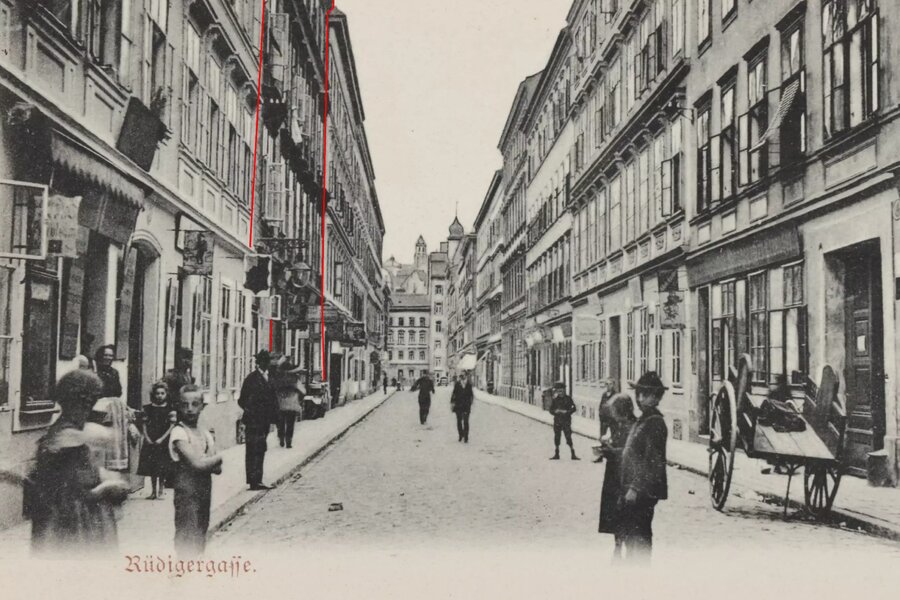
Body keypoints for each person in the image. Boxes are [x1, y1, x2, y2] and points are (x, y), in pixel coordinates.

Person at [26, 370, 129, 556]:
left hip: (68, 514)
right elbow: (76, 483)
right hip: (72, 517)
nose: (88, 408)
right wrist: (106, 487)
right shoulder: (68, 434)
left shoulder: (64, 431)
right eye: (87, 402)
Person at [619, 371, 669, 564]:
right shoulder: (644, 419)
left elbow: (652, 461)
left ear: (656, 397)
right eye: (639, 393)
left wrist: (635, 487)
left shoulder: (655, 422)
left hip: (643, 490)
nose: (640, 398)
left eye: (646, 394)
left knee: (640, 534)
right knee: (633, 532)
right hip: (635, 488)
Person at [169, 384, 222, 557]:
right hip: (186, 491)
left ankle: (195, 570)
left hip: (204, 490)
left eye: (194, 404)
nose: (190, 409)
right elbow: (197, 464)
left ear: (202, 406)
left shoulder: (204, 433)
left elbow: (218, 470)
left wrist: (210, 461)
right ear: (178, 406)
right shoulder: (179, 433)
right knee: (186, 533)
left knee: (201, 530)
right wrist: (217, 458)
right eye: (185, 405)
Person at [596, 393, 637, 560]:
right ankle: (618, 546)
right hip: (613, 475)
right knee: (614, 513)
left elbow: (632, 454)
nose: (612, 415)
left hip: (625, 476)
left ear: (622, 411)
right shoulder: (620, 424)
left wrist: (611, 451)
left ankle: (626, 549)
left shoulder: (633, 427)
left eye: (615, 411)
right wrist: (606, 448)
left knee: (625, 513)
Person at [238, 350, 278, 490]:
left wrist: (272, 417)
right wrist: (253, 412)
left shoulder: (268, 377)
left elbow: (273, 399)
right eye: (265, 361)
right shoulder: (252, 379)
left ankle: (258, 479)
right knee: (253, 449)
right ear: (260, 362)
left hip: (264, 421)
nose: (268, 364)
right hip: (254, 421)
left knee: (261, 448)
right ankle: (253, 481)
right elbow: (242, 400)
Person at [137, 381, 176, 500]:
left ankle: (160, 490)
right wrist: (147, 437)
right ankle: (153, 491)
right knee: (152, 466)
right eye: (157, 393)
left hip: (163, 439)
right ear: (154, 394)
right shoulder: (148, 408)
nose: (160, 396)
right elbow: (144, 424)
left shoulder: (170, 409)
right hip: (151, 439)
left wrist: (162, 439)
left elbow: (171, 426)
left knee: (162, 466)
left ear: (166, 394)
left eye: (162, 393)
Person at [273, 360, 304, 448]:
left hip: (281, 404)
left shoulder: (278, 378)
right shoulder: (295, 379)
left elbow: (274, 389)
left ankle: (281, 438)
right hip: (292, 404)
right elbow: (303, 391)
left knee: (281, 423)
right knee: (290, 424)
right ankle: (288, 442)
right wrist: (299, 399)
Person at [548, 382, 579, 460]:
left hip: (566, 421)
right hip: (557, 421)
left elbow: (573, 408)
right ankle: (556, 453)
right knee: (557, 437)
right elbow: (551, 410)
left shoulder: (568, 399)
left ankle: (573, 453)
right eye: (558, 391)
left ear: (564, 390)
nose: (560, 392)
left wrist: (567, 412)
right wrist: (556, 411)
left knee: (568, 437)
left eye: (561, 391)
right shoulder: (555, 400)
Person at [450, 371, 474, 443]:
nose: (462, 377)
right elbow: (454, 394)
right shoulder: (457, 384)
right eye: (461, 375)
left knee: (466, 422)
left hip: (466, 406)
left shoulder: (469, 385)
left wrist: (470, 403)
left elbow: (471, 395)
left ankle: (466, 437)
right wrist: (452, 402)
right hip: (458, 406)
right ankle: (461, 435)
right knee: (459, 421)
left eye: (463, 375)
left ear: (466, 376)